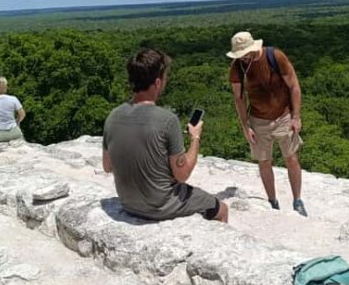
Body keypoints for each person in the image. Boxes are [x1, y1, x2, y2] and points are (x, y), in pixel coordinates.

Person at [102, 48, 229, 223]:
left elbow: (107, 166)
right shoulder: (167, 120)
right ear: (157, 82)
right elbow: (182, 174)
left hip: (128, 203)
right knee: (221, 209)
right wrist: (195, 138)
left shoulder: (113, 116)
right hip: (161, 206)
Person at [227, 31, 308, 216]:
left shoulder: (275, 57)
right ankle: (272, 202)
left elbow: (294, 85)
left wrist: (296, 116)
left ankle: (297, 200)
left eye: (246, 53)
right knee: (264, 162)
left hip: (283, 116)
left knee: (291, 158)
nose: (244, 58)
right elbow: (239, 99)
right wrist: (245, 126)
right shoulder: (237, 66)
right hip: (257, 119)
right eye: (240, 55)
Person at [0, 77, 26, 143]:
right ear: (4, 87)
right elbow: (22, 114)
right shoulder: (13, 99)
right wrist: (17, 121)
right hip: (13, 132)